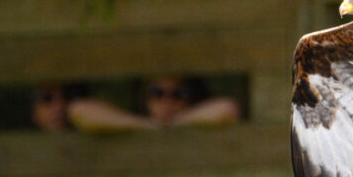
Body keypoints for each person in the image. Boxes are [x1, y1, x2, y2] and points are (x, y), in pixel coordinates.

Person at [66, 75, 240, 132]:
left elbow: (227, 109)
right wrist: (144, 124)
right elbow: (79, 110)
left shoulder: (194, 121)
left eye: (178, 94)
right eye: (157, 93)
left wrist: (175, 123)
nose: (167, 101)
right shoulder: (134, 122)